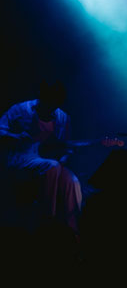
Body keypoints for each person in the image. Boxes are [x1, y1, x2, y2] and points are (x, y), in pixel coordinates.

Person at [0, 79, 82, 233]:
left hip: (50, 160)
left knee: (73, 182)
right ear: (41, 97)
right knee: (51, 167)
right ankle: (47, 222)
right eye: (48, 103)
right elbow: (1, 130)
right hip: (22, 158)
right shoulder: (20, 110)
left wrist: (64, 158)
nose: (50, 108)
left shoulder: (63, 117)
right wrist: (15, 136)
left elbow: (67, 147)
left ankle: (73, 230)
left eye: (54, 104)